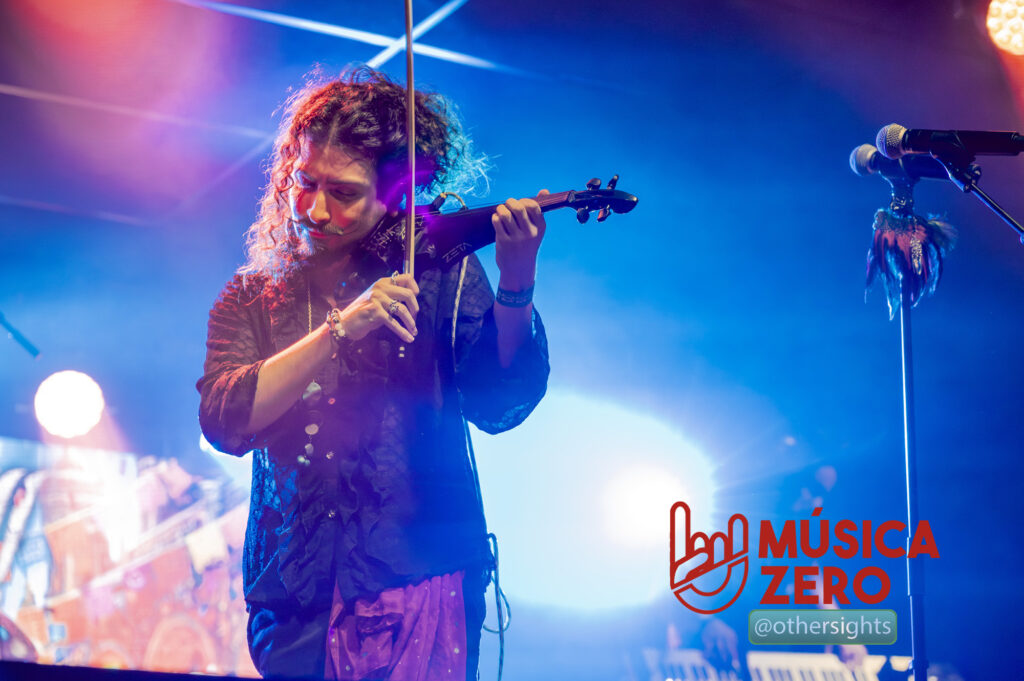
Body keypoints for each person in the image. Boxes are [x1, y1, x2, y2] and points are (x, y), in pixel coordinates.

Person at [196, 67, 550, 680]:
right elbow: (226, 420)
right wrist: (339, 329)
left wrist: (516, 284)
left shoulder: (440, 271)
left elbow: (498, 406)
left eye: (345, 192)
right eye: (303, 183)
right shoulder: (253, 295)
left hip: (419, 575)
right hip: (295, 594)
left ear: (396, 195)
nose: (315, 209)